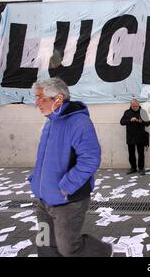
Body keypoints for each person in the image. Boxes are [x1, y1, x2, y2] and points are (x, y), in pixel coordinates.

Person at [29, 77, 112, 257]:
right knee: (45, 246)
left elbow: (90, 159)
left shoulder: (79, 123)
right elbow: (45, 158)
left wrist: (67, 186)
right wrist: (36, 180)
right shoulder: (50, 121)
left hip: (67, 201)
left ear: (58, 99)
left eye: (41, 98)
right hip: (43, 200)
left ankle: (103, 252)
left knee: (68, 248)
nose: (36, 103)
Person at [120, 99, 150, 176]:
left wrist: (140, 121)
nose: (135, 107)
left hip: (141, 136)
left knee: (141, 153)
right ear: (131, 105)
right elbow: (122, 122)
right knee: (131, 154)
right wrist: (130, 120)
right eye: (133, 106)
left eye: (136, 106)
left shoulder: (143, 112)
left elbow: (148, 123)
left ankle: (141, 168)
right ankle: (133, 168)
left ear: (138, 105)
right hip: (130, 136)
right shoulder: (127, 112)